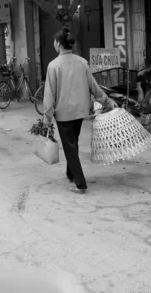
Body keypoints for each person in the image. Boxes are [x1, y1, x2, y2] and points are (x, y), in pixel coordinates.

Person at [43, 27, 116, 194]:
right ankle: (71, 174)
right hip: (80, 112)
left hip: (64, 114)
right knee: (72, 144)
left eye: (54, 42)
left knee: (70, 147)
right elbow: (94, 87)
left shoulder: (53, 65)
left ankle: (80, 184)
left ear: (58, 44)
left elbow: (49, 95)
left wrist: (46, 118)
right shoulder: (82, 62)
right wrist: (108, 101)